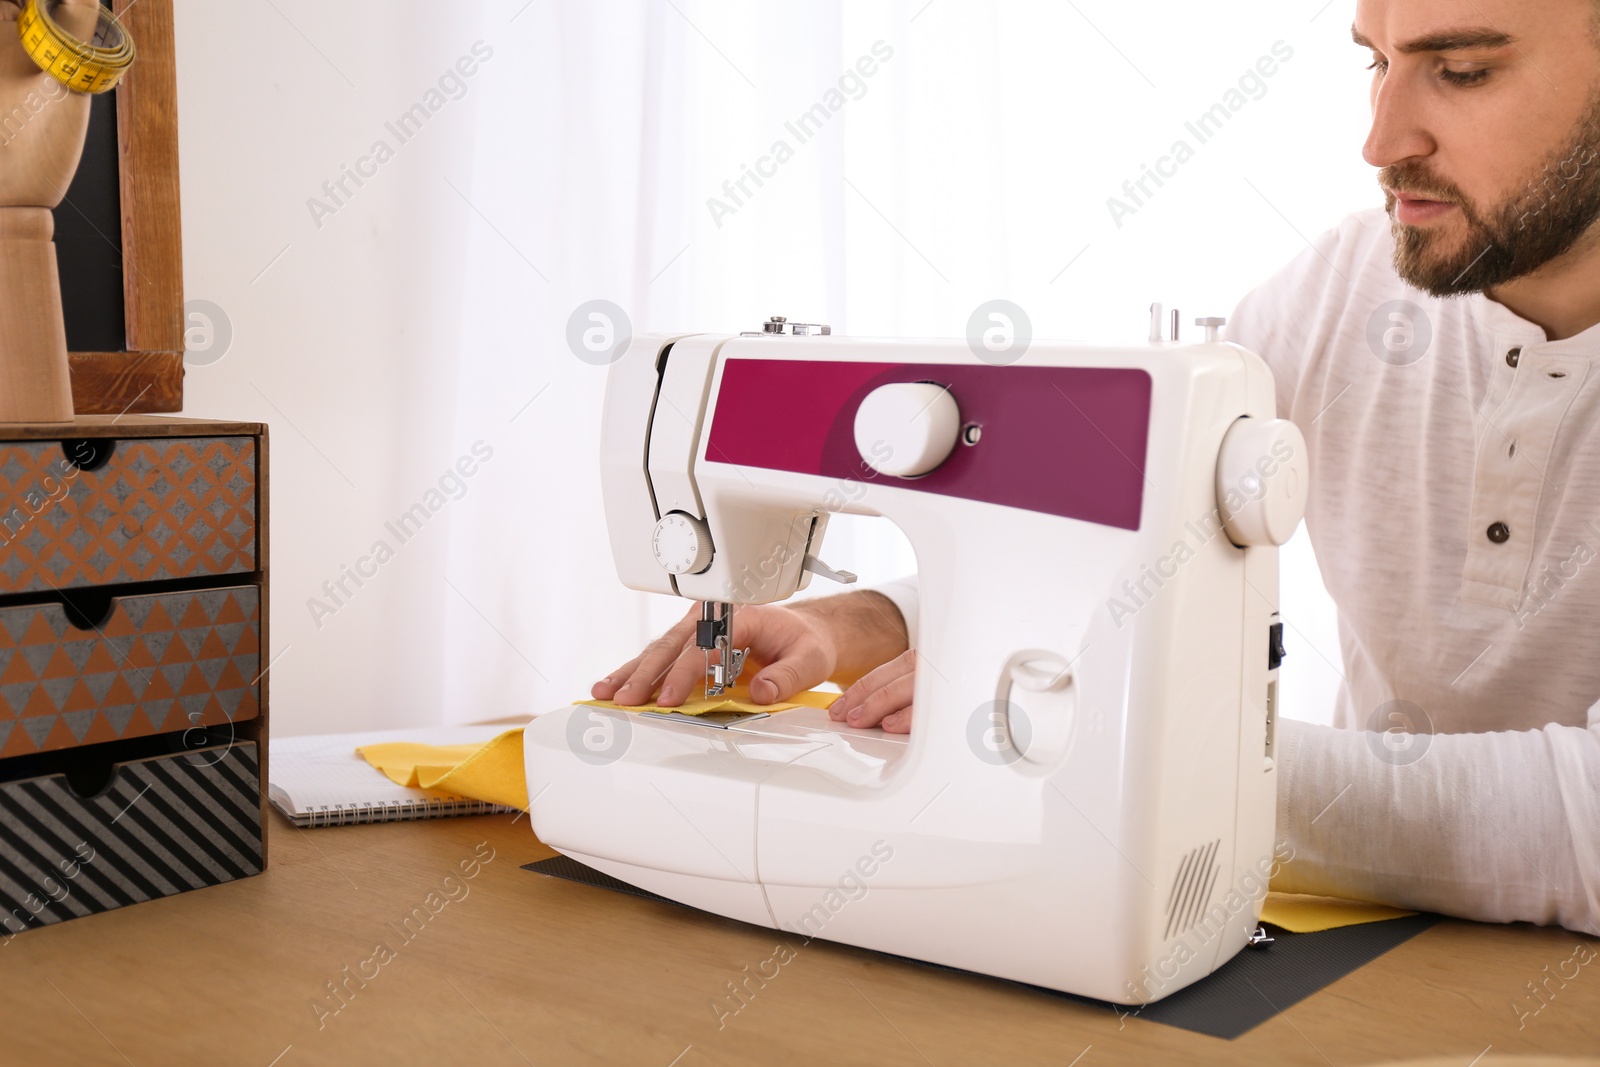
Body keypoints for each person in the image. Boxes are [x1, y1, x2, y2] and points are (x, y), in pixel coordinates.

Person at [594, 0, 1600, 936]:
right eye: (1375, 65)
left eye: (1460, 71)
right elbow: (1119, 552)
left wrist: (1136, 751)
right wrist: (852, 624)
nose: (1379, 142)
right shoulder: (1331, 301)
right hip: (1387, 950)